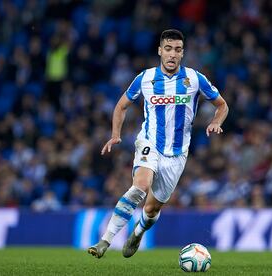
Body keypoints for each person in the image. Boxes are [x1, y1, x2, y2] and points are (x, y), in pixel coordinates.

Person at [87, 29, 228, 259]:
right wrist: (115, 134)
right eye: (169, 49)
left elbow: (222, 105)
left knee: (152, 209)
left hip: (177, 153)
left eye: (178, 50)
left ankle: (139, 231)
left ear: (182, 54)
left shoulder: (194, 79)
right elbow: (121, 106)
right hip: (149, 142)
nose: (173, 54)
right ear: (160, 50)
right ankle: (106, 240)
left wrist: (216, 122)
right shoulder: (145, 78)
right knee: (140, 186)